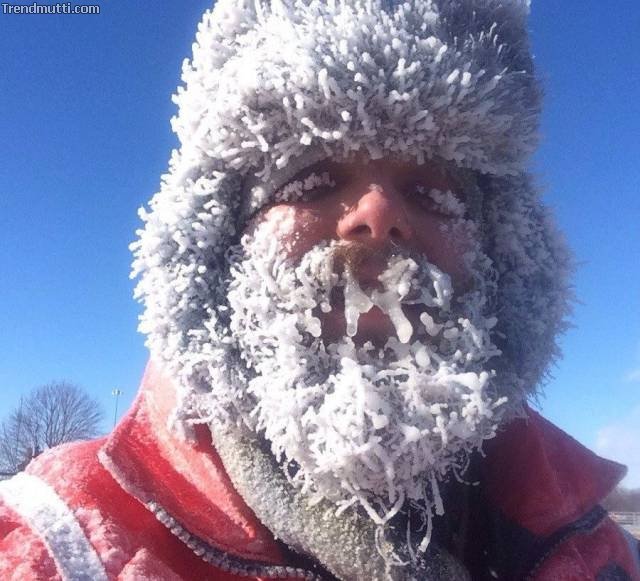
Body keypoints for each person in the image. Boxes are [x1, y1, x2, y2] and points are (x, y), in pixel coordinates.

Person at [1, 1, 638, 579]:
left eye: (432, 190)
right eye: (314, 180)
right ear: (222, 247)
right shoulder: (55, 547)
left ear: (504, 255)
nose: (378, 215)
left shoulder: (602, 554)